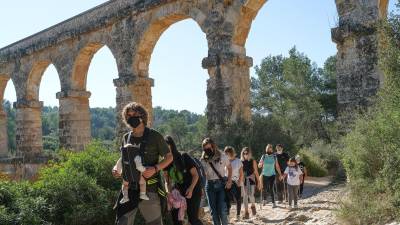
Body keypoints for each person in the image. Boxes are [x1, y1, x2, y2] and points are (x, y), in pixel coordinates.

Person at [112, 102, 173, 225]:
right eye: (128, 115)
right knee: (122, 223)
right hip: (129, 189)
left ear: (142, 116)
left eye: (134, 114)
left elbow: (169, 157)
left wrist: (155, 168)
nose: (131, 117)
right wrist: (116, 168)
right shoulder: (126, 138)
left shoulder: (154, 136)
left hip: (150, 190)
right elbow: (124, 157)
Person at [164, 136, 203, 225]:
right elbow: (167, 181)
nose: (165, 149)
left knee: (193, 219)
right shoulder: (165, 162)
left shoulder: (183, 156)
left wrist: (191, 188)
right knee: (176, 219)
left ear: (171, 146)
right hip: (178, 192)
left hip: (193, 189)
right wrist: (168, 193)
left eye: (167, 146)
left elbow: (195, 175)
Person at [200, 138, 232, 225]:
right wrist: (201, 188)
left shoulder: (222, 156)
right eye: (205, 149)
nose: (207, 150)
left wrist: (229, 181)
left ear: (213, 146)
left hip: (221, 185)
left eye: (209, 148)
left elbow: (229, 168)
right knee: (213, 212)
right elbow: (202, 175)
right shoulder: (203, 159)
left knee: (222, 210)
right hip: (209, 186)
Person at [258, 144, 282, 208]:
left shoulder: (274, 156)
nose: (269, 149)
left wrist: (280, 174)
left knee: (271, 188)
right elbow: (259, 165)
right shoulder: (263, 156)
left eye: (270, 148)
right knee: (264, 188)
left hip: (272, 174)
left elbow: (277, 166)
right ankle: (264, 200)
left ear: (272, 149)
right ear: (266, 149)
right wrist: (260, 164)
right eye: (268, 148)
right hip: (265, 174)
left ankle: (274, 203)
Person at [224, 146, 243, 221]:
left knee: (238, 199)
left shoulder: (238, 161)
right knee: (227, 199)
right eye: (225, 153)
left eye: (227, 153)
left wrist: (239, 182)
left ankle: (238, 215)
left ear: (231, 153)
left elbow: (241, 173)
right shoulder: (225, 161)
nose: (226, 155)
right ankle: (227, 215)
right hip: (227, 182)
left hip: (236, 182)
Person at [240, 147, 260, 219]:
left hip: (251, 179)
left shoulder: (253, 161)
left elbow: (256, 172)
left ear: (249, 153)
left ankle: (253, 205)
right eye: (244, 153)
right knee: (245, 196)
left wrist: (259, 182)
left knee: (251, 195)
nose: (245, 154)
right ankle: (246, 212)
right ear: (242, 154)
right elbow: (239, 172)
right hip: (243, 180)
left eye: (247, 153)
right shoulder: (240, 162)